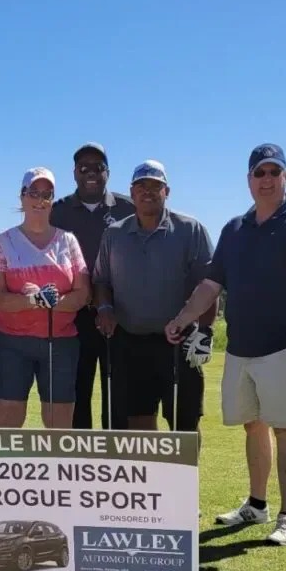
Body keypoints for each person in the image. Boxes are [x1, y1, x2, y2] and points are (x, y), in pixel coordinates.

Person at [166, 143, 286, 546]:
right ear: (248, 180)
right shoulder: (235, 229)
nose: (266, 180)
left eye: (274, 172)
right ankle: (257, 504)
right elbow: (211, 285)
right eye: (259, 173)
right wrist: (183, 319)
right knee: (252, 425)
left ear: (285, 178)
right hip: (242, 346)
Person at [93, 160, 214, 432]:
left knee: (185, 423)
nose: (147, 191)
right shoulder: (114, 233)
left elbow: (210, 284)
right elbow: (101, 280)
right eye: (141, 186)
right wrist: (104, 307)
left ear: (166, 191)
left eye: (155, 186)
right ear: (132, 192)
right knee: (138, 422)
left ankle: (184, 476)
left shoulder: (190, 229)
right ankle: (151, 475)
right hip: (130, 343)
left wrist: (205, 331)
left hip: (179, 342)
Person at [0, 168, 91, 427]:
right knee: (8, 419)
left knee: (59, 423)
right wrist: (32, 300)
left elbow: (83, 294)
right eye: (34, 192)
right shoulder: (4, 241)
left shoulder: (68, 241)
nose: (40, 199)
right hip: (11, 343)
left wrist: (49, 301)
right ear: (22, 197)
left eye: (47, 194)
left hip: (61, 343)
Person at [49, 143, 134, 428]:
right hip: (74, 314)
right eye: (84, 167)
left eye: (98, 167)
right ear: (74, 173)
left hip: (120, 314)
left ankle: (117, 461)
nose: (91, 173)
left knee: (119, 395)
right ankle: (81, 464)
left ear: (108, 172)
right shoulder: (56, 212)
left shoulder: (128, 207)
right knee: (77, 393)